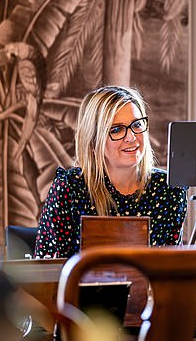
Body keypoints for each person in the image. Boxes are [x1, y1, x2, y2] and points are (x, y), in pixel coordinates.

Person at [34, 86, 188, 258]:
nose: (131, 137)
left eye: (137, 124)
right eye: (116, 129)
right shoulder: (70, 189)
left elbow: (170, 268)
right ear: (93, 143)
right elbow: (48, 271)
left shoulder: (169, 189)